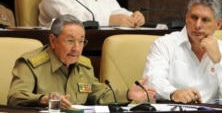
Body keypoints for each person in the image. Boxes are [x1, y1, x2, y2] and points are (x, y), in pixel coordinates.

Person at [7, 14, 155, 109]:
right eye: (70, 41)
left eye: (81, 41)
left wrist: (128, 94)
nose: (76, 48)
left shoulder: (84, 66)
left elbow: (99, 94)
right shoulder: (31, 64)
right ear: (53, 40)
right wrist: (44, 99)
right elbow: (15, 97)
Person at [142, 0, 222, 104]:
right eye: (194, 17)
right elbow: (151, 81)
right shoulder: (164, 44)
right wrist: (174, 93)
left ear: (218, 24)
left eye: (205, 20)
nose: (197, 25)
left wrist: (218, 61)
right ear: (187, 18)